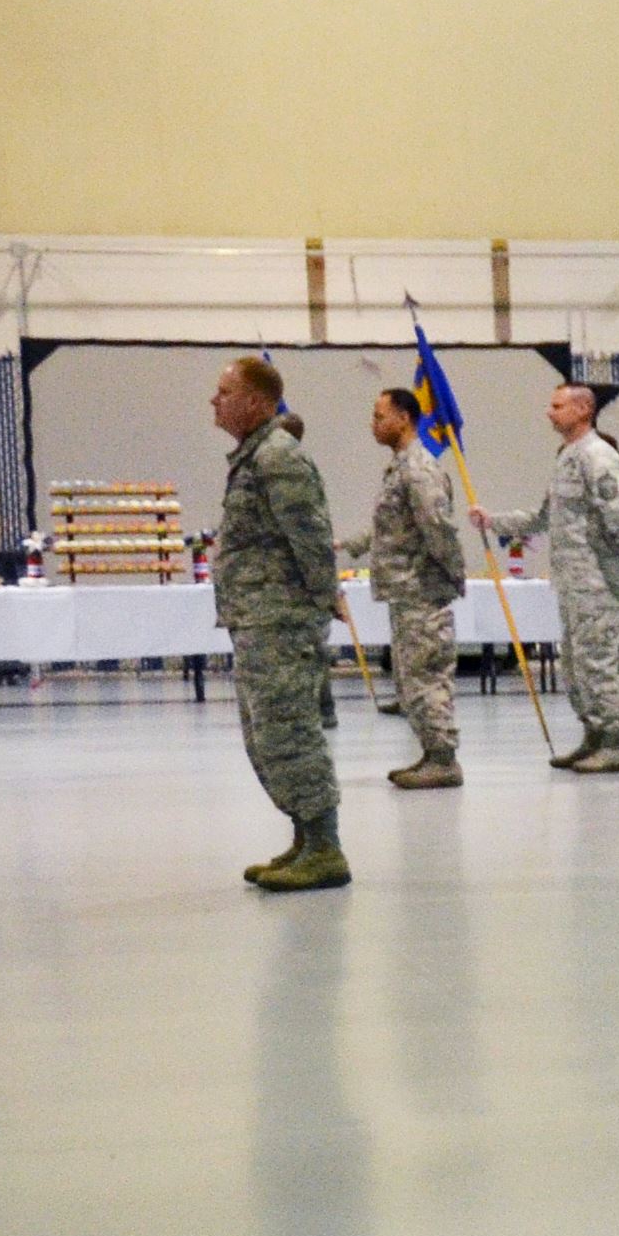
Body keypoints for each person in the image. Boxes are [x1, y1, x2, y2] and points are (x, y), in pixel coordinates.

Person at [208, 358, 350, 889]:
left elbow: (311, 538)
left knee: (290, 733)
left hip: (281, 621)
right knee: (267, 736)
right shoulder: (255, 455)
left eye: (224, 392)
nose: (214, 401)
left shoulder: (278, 456)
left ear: (255, 401)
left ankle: (326, 849)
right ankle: (305, 839)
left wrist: (321, 603)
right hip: (259, 619)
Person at [474, 380, 619, 775]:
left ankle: (612, 743)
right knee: (576, 664)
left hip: (597, 581)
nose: (549, 413)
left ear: (584, 410)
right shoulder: (567, 456)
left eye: (558, 406)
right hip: (571, 580)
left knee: (597, 662)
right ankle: (592, 736)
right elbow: (543, 517)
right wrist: (493, 521)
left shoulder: (598, 456)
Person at [354, 388, 470, 790]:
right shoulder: (399, 467)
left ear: (403, 418)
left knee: (427, 676)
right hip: (406, 591)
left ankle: (443, 760)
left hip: (422, 590)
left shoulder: (419, 468)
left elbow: (438, 529)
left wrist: (453, 574)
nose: (373, 424)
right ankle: (431, 752)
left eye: (379, 416)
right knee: (411, 677)